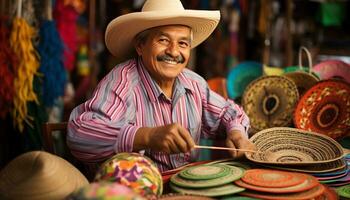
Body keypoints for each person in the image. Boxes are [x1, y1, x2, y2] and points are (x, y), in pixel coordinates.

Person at [67, 0, 255, 172]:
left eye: (182, 43)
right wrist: (147, 136)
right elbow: (79, 134)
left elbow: (229, 113)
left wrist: (236, 132)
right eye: (163, 40)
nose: (174, 51)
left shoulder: (193, 83)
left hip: (186, 187)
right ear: (140, 46)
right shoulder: (122, 81)